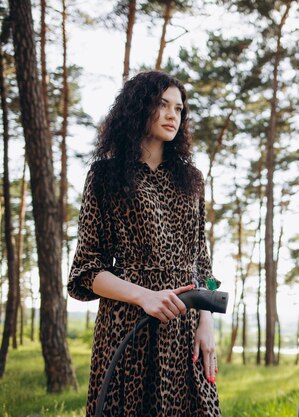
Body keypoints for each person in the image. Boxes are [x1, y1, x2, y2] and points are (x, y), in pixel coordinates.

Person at [68, 71, 222, 417]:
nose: (172, 115)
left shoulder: (192, 179)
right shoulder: (105, 176)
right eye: (162, 104)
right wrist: (145, 296)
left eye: (179, 109)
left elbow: (204, 264)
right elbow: (85, 272)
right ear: (138, 108)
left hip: (185, 328)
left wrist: (206, 322)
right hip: (128, 326)